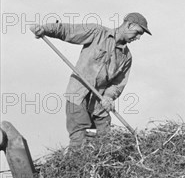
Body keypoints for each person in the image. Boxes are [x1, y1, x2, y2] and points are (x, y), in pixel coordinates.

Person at [30, 13, 151, 148]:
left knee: (104, 144)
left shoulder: (126, 57)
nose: (138, 37)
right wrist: (45, 29)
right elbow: (69, 31)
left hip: (100, 105)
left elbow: (118, 84)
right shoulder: (98, 33)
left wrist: (109, 97)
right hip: (78, 98)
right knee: (80, 141)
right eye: (138, 32)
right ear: (129, 25)